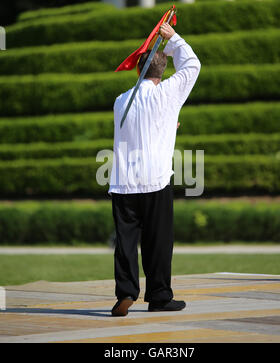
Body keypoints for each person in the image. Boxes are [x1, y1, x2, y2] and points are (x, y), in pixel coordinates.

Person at [109, 23, 201, 316]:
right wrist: (172, 40)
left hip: (123, 182)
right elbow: (192, 64)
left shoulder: (120, 101)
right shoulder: (168, 94)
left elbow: (136, 125)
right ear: (162, 73)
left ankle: (125, 291)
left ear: (138, 71)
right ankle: (159, 296)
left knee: (125, 242)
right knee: (158, 241)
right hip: (155, 179)